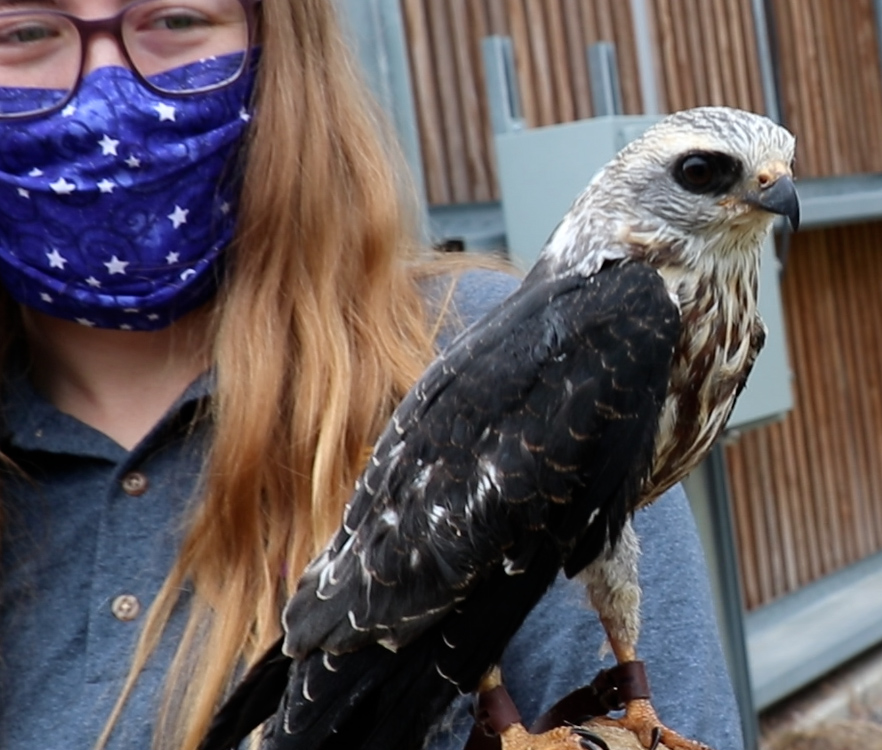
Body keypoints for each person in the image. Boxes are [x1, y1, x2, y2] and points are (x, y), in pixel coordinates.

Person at [0, 2, 744, 750]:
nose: (105, 88)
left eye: (176, 18)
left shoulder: (516, 339)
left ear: (284, 53)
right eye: (24, 32)